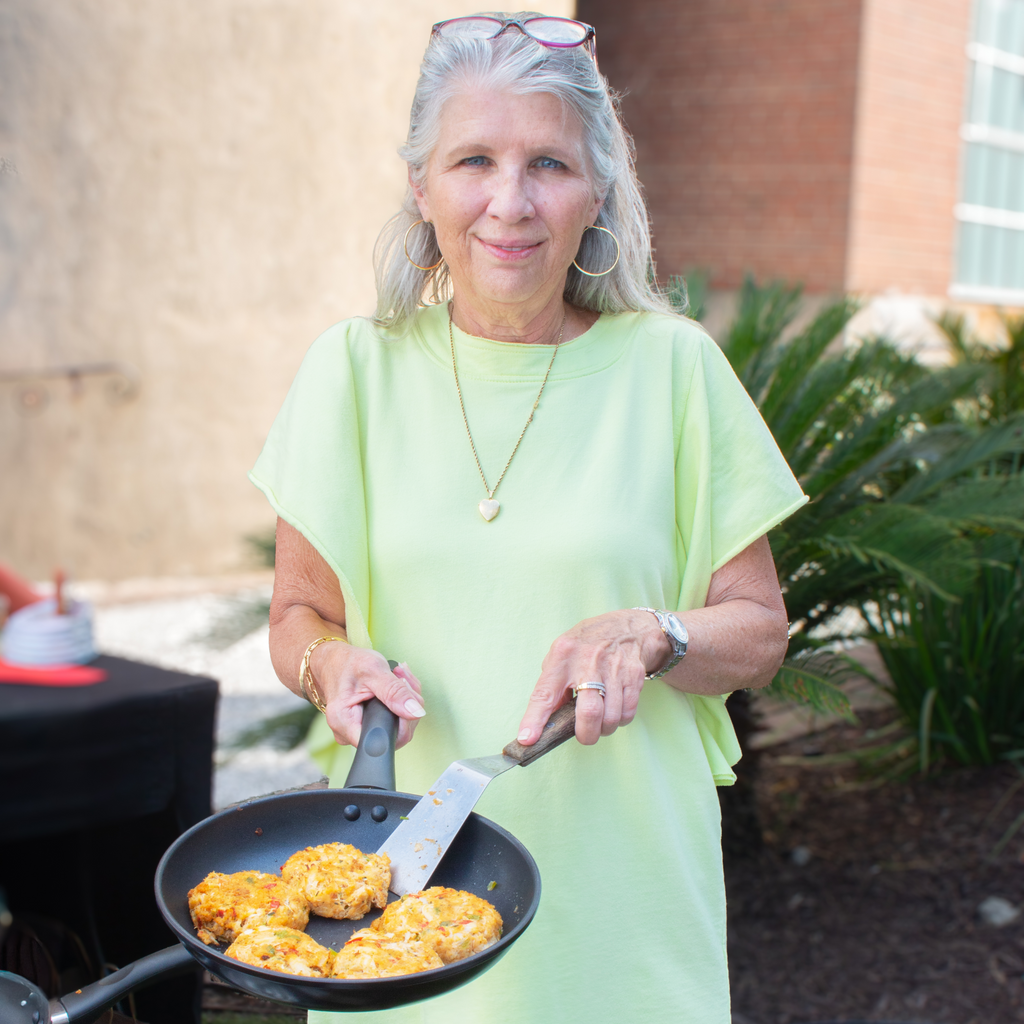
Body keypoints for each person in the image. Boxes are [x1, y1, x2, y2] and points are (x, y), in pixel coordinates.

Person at [250, 13, 807, 1023]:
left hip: (625, 927)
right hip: (402, 926)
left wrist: (656, 629)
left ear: (596, 191)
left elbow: (759, 631)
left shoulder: (673, 369)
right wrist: (331, 666)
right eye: (473, 159)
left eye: (547, 163)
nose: (509, 202)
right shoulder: (352, 371)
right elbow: (297, 615)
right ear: (421, 185)